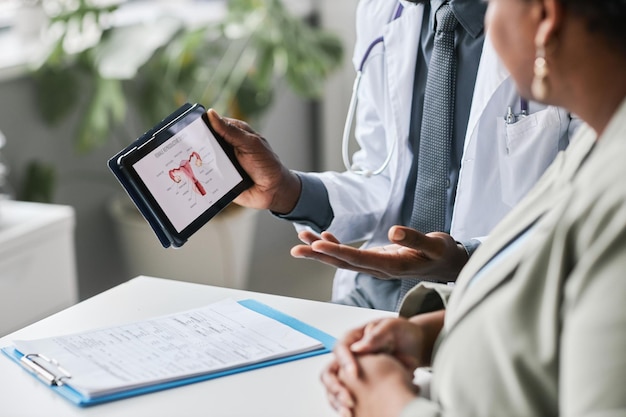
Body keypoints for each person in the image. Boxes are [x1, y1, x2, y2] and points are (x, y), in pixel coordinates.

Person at [320, 0, 626, 415]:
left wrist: (391, 406)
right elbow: (550, 283)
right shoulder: (600, 139)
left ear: (544, 18)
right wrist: (431, 334)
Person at [208, 0, 578, 312]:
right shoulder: (385, 11)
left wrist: (466, 258)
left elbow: (587, 214)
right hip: (375, 298)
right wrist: (288, 190)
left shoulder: (575, 25)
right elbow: (382, 175)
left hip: (495, 304)